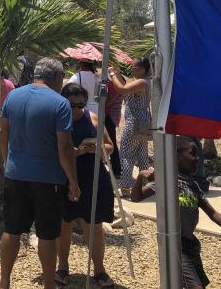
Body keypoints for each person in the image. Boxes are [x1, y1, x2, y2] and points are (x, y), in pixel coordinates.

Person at [0, 58, 80, 289]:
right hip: (48, 179)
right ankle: (49, 285)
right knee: (48, 235)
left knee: (11, 230)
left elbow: (3, 132)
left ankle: (4, 282)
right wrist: (73, 181)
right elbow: (64, 147)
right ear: (57, 78)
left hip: (16, 175)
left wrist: (8, 160)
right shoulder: (60, 104)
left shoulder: (13, 96)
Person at [132, 137, 221, 288]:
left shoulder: (193, 185)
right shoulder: (165, 181)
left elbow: (212, 213)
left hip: (191, 244)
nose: (197, 158)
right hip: (175, 245)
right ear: (177, 156)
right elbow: (136, 197)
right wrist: (140, 176)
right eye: (193, 154)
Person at [56, 83, 115, 287]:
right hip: (64, 176)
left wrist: (91, 148)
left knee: (95, 225)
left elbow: (110, 147)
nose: (76, 110)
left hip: (93, 175)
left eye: (80, 105)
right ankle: (62, 267)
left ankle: (99, 270)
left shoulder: (93, 118)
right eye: (71, 105)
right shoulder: (55, 119)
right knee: (65, 224)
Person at [108, 58, 151, 196]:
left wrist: (113, 75)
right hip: (143, 121)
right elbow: (125, 84)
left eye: (135, 67)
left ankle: (125, 187)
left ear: (143, 69)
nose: (132, 69)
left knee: (126, 154)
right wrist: (117, 73)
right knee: (142, 154)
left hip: (134, 122)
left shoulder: (142, 82)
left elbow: (121, 89)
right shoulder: (146, 82)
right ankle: (147, 185)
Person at [103, 79, 123, 179]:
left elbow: (109, 101)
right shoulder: (119, 83)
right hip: (114, 116)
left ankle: (116, 170)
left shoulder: (113, 85)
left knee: (111, 143)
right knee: (112, 142)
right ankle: (116, 170)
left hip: (109, 116)